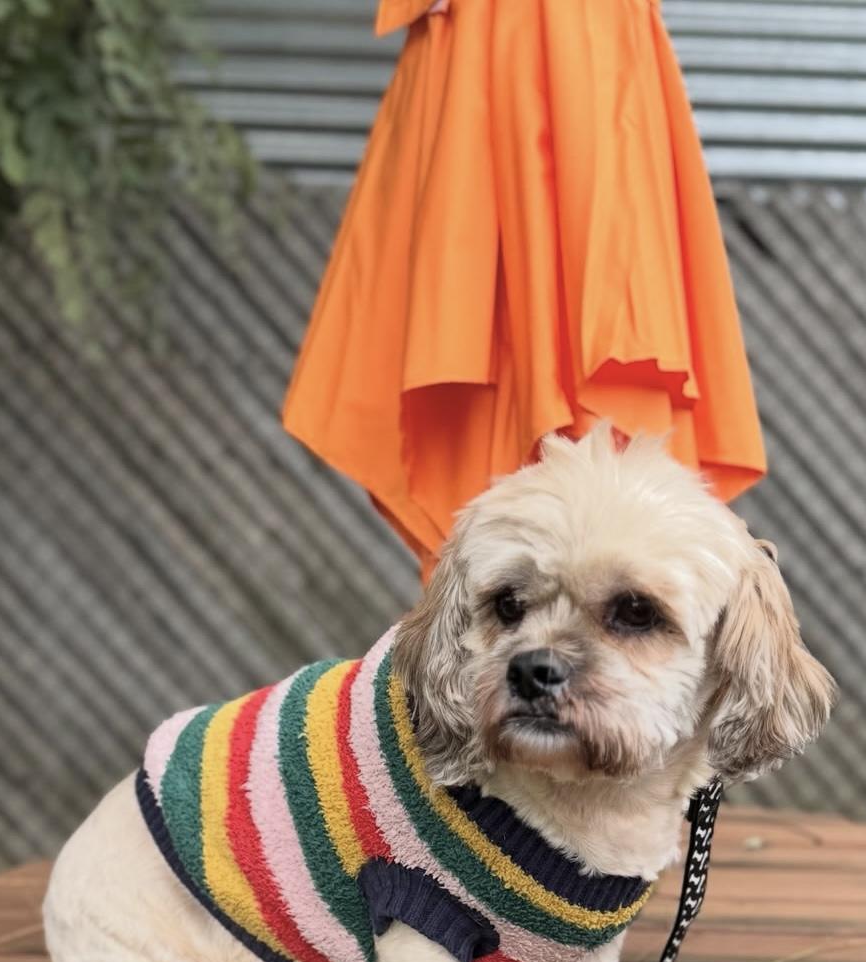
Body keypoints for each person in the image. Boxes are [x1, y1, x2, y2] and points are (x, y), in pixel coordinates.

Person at [283, 0, 765, 576]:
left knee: (578, 311)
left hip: (567, 53)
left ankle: (543, 593)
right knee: (506, 319)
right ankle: (508, 597)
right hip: (500, 53)